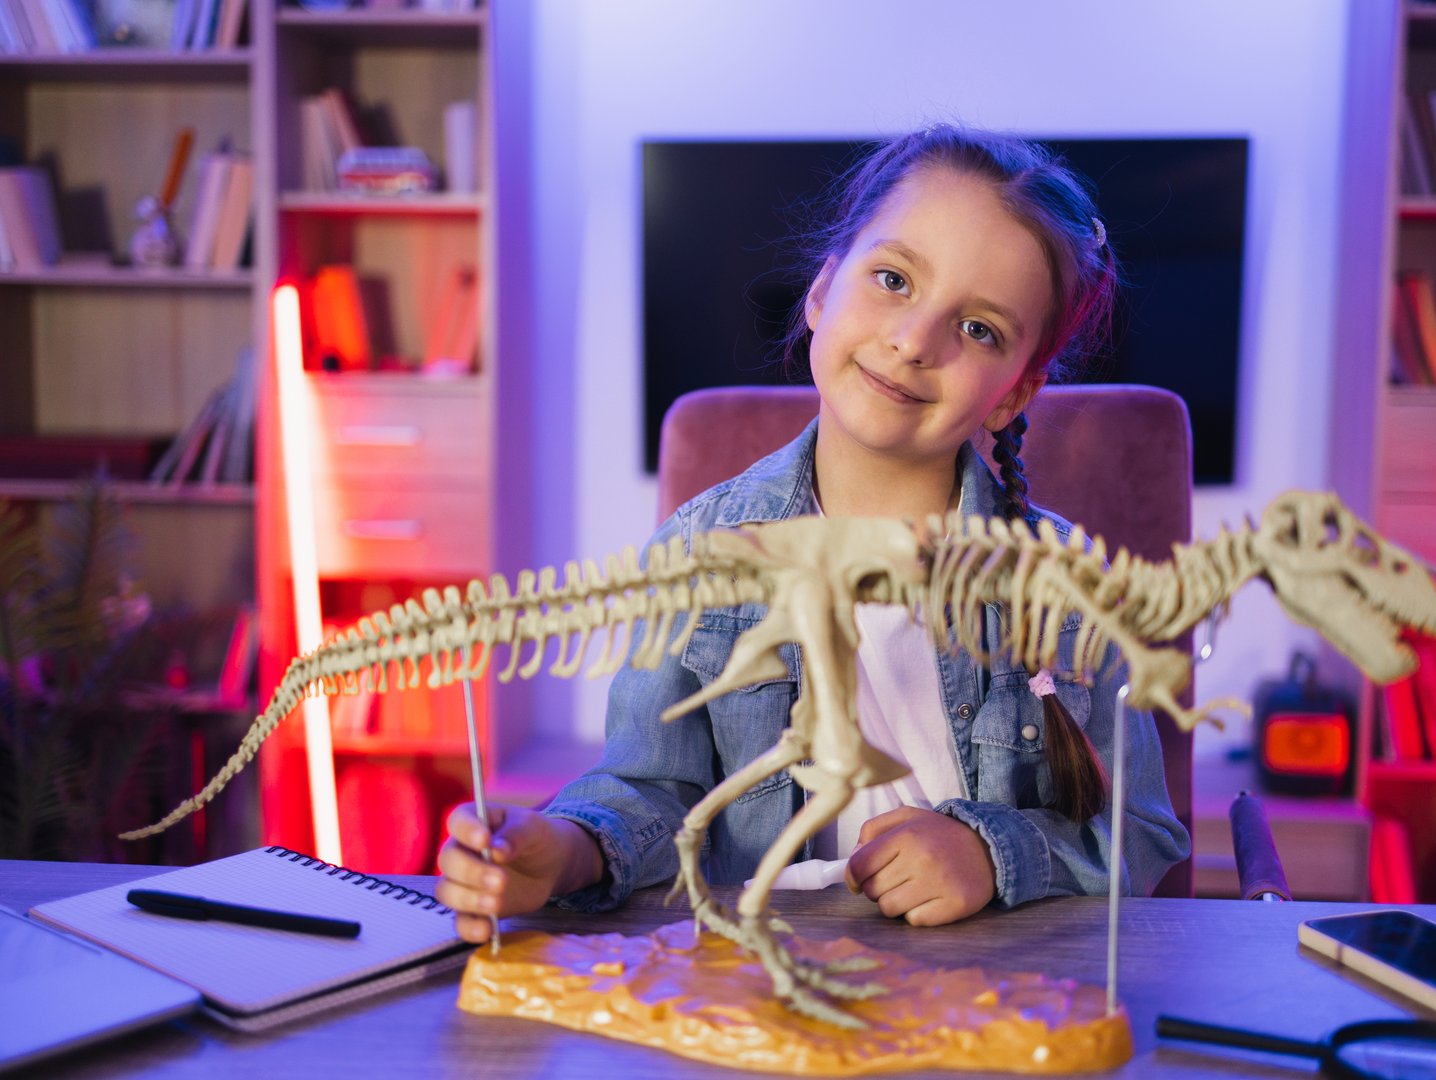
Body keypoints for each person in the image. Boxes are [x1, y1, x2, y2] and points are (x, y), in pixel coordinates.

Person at [436, 124, 1191, 941]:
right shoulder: (700, 553)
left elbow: (1143, 839)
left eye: (978, 330)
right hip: (765, 992)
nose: (912, 340)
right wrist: (568, 846)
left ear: (1013, 394)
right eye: (894, 279)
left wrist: (991, 854)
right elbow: (651, 787)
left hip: (996, 1001)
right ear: (823, 292)